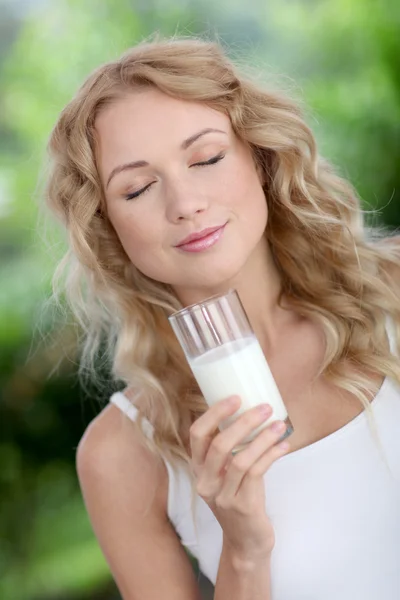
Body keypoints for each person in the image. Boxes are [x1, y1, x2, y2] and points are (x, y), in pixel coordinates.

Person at [44, 36, 400, 600]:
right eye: (137, 188)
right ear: (107, 226)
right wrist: (245, 548)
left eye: (206, 158)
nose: (184, 202)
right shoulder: (122, 454)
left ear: (259, 156)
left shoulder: (393, 296)